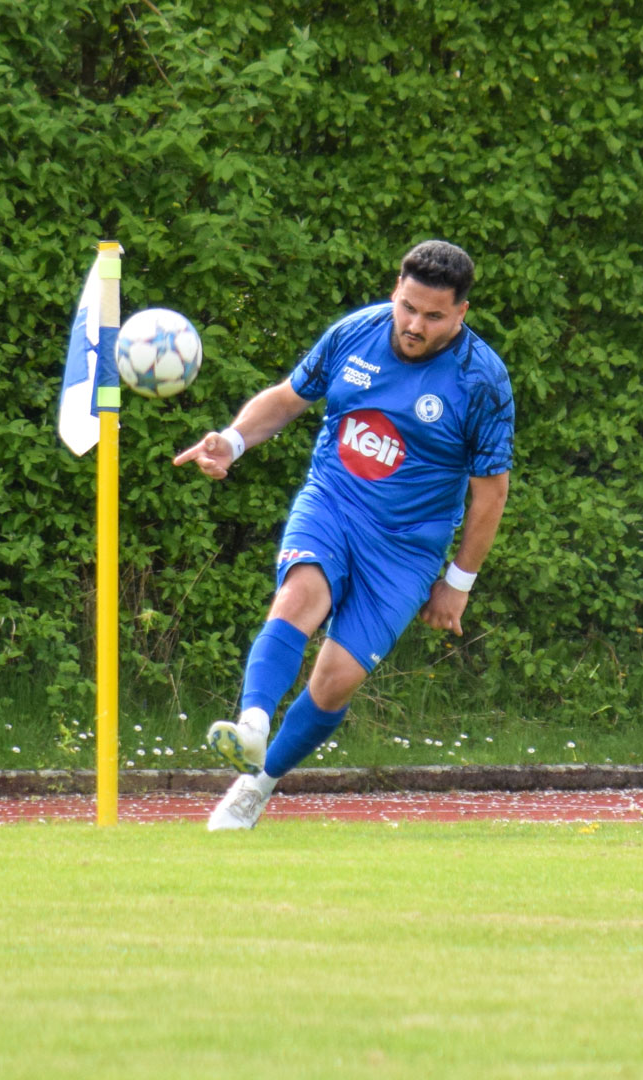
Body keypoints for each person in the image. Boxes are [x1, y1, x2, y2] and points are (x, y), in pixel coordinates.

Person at [173, 240, 515, 830]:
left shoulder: (481, 380)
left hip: (407, 547)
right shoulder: (355, 333)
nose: (414, 325)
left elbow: (491, 493)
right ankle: (251, 723)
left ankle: (258, 783)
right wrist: (231, 441)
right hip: (332, 502)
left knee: (335, 683)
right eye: (408, 307)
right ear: (395, 291)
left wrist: (457, 585)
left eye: (434, 316)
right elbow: (288, 398)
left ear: (461, 312)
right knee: (299, 595)